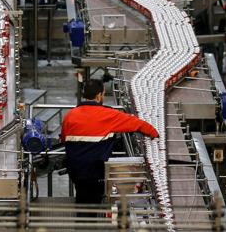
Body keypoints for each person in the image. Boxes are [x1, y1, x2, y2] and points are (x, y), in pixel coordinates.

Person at [61, 79, 159, 209]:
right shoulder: (109, 115)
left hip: (75, 170)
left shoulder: (70, 116)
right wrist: (155, 135)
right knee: (93, 202)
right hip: (95, 172)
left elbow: (63, 139)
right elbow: (138, 124)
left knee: (82, 198)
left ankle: (82, 220)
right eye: (103, 94)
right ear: (98, 96)